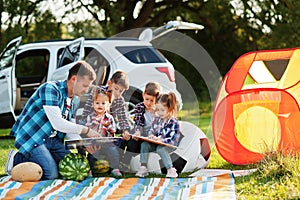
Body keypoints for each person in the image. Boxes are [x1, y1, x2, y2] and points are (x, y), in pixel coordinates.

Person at [5, 61, 101, 180]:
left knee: (66, 170)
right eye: (85, 86)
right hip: (34, 137)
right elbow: (58, 123)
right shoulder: (50, 89)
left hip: (53, 140)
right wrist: (87, 130)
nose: (86, 90)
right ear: (74, 79)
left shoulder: (74, 99)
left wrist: (82, 144)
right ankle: (16, 159)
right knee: (51, 174)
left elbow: (69, 128)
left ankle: (44, 159)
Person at [135, 92, 180, 178]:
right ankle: (143, 167)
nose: (159, 113)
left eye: (162, 110)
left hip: (168, 145)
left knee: (160, 149)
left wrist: (161, 140)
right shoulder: (157, 119)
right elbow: (152, 130)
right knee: (144, 144)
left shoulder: (173, 122)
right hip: (157, 143)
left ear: (170, 109)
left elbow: (172, 139)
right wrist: (151, 135)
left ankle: (171, 169)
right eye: (158, 110)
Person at [83, 87, 122, 177]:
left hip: (106, 142)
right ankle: (90, 170)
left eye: (103, 103)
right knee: (93, 154)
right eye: (97, 103)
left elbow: (113, 131)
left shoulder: (109, 118)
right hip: (94, 142)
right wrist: (95, 123)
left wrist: (108, 127)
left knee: (113, 151)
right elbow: (87, 129)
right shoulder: (90, 117)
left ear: (108, 105)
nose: (100, 105)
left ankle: (115, 168)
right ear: (93, 105)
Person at [120, 82, 161, 166]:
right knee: (125, 139)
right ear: (143, 95)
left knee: (133, 143)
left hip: (151, 136)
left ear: (156, 99)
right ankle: (118, 160)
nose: (148, 103)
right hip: (140, 132)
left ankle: (125, 162)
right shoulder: (139, 107)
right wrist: (138, 131)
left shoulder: (159, 111)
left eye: (151, 100)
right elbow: (138, 122)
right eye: (147, 99)